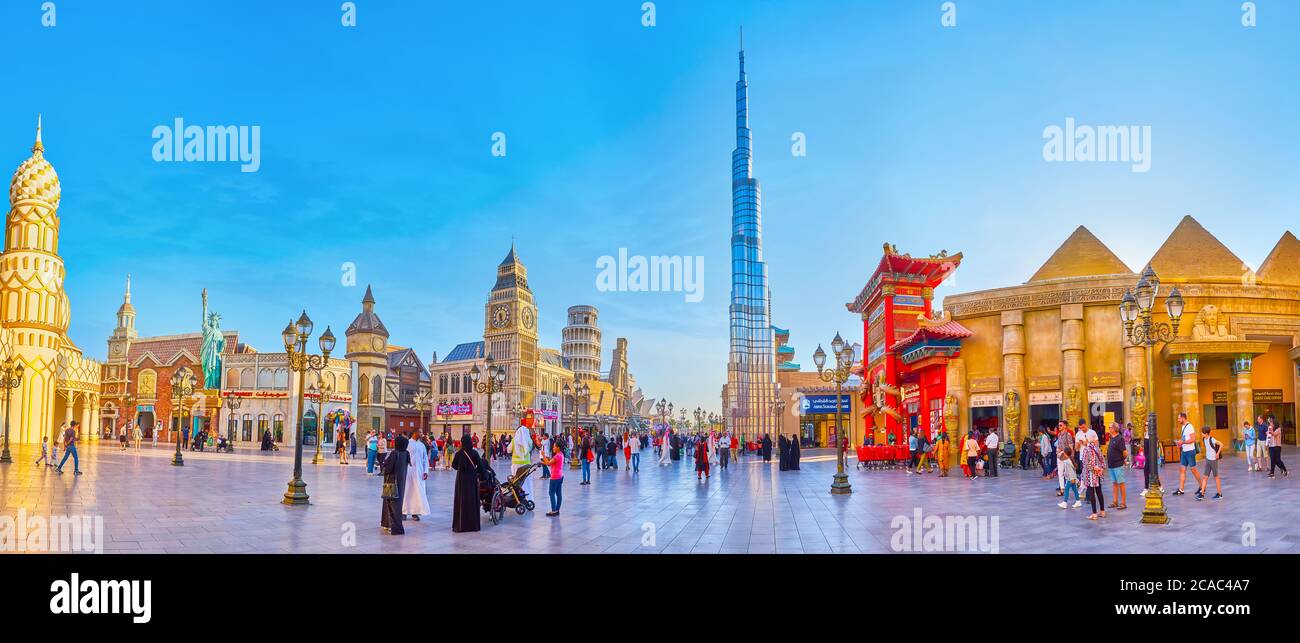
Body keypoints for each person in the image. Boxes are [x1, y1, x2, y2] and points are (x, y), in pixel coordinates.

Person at [451, 431, 483, 533]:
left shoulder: (459, 454)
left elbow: (454, 466)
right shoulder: (475, 453)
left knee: (461, 501)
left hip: (461, 480)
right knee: (472, 501)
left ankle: (461, 526)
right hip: (472, 480)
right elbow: (481, 467)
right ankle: (472, 526)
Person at [380, 435, 410, 535]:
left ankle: (393, 526)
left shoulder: (394, 453)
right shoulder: (406, 453)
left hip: (391, 482)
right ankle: (387, 524)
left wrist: (384, 463)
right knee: (397, 504)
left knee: (390, 503)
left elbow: (388, 468)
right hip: (401, 483)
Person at [1172, 412, 1203, 495]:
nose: (1178, 420)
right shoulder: (1183, 427)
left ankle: (1202, 487)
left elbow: (1193, 439)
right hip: (1184, 451)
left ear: (1183, 418)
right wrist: (1180, 443)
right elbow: (1185, 439)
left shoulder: (1190, 427)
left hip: (1190, 451)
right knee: (1182, 469)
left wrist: (1183, 442)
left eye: (1179, 418)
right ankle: (1181, 489)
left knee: (1194, 470)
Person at [404, 431, 431, 521]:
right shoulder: (407, 443)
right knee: (406, 491)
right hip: (408, 471)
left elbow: (425, 459)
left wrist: (426, 471)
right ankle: (403, 512)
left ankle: (415, 512)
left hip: (419, 472)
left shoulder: (422, 445)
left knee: (417, 492)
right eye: (419, 432)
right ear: (414, 433)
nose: (421, 433)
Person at [1081, 435, 1106, 520]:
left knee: (1092, 493)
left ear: (1087, 440)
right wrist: (1100, 469)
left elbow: (1085, 463)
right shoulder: (1097, 449)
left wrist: (1093, 468)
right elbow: (1103, 460)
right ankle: (1102, 511)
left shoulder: (1086, 449)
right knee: (1099, 492)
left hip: (1090, 475)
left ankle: (1094, 513)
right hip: (1098, 474)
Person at [1196, 426, 1223, 501]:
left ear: (1206, 433)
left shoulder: (1212, 439)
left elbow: (1221, 444)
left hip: (1213, 460)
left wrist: (1217, 454)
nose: (1201, 434)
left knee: (1216, 477)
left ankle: (1219, 494)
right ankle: (1202, 494)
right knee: (1205, 477)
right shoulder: (1204, 439)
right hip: (1208, 460)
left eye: (1202, 432)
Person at [1106, 423, 1128, 510]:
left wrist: (1121, 460)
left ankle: (1123, 503)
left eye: (1110, 427)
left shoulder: (1120, 439)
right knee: (1114, 483)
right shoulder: (1112, 438)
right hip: (1111, 465)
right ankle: (1115, 501)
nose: (1108, 428)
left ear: (1114, 428)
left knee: (1121, 484)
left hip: (1118, 465)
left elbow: (1125, 453)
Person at [511, 421, 534, 503]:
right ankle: (529, 498)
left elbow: (508, 450)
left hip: (516, 465)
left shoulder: (514, 441)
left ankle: (519, 499)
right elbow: (531, 448)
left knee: (517, 483)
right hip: (526, 465)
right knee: (527, 482)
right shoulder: (529, 441)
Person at [541, 440, 565, 516]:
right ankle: (557, 509)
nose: (553, 447)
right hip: (560, 476)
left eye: (554, 446)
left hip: (555, 477)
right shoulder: (561, 454)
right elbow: (551, 464)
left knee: (551, 493)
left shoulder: (557, 456)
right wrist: (543, 462)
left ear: (558, 448)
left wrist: (543, 455)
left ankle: (554, 510)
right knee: (559, 494)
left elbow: (548, 463)